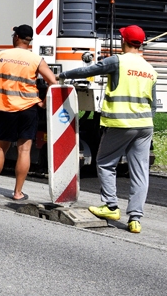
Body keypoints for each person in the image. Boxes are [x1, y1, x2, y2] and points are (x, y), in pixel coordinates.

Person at [58, 25, 156, 233]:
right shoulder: (150, 69)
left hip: (121, 123)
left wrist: (63, 75)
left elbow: (88, 71)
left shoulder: (117, 61)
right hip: (145, 125)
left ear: (124, 41)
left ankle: (111, 206)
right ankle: (135, 219)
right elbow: (153, 103)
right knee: (140, 172)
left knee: (104, 162)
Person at [0, 24, 57, 200]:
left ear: (16, 37)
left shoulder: (0, 56)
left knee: (0, 147)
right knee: (24, 150)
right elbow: (52, 81)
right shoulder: (36, 60)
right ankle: (17, 193)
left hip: (6, 108)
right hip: (29, 108)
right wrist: (44, 104)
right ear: (29, 41)